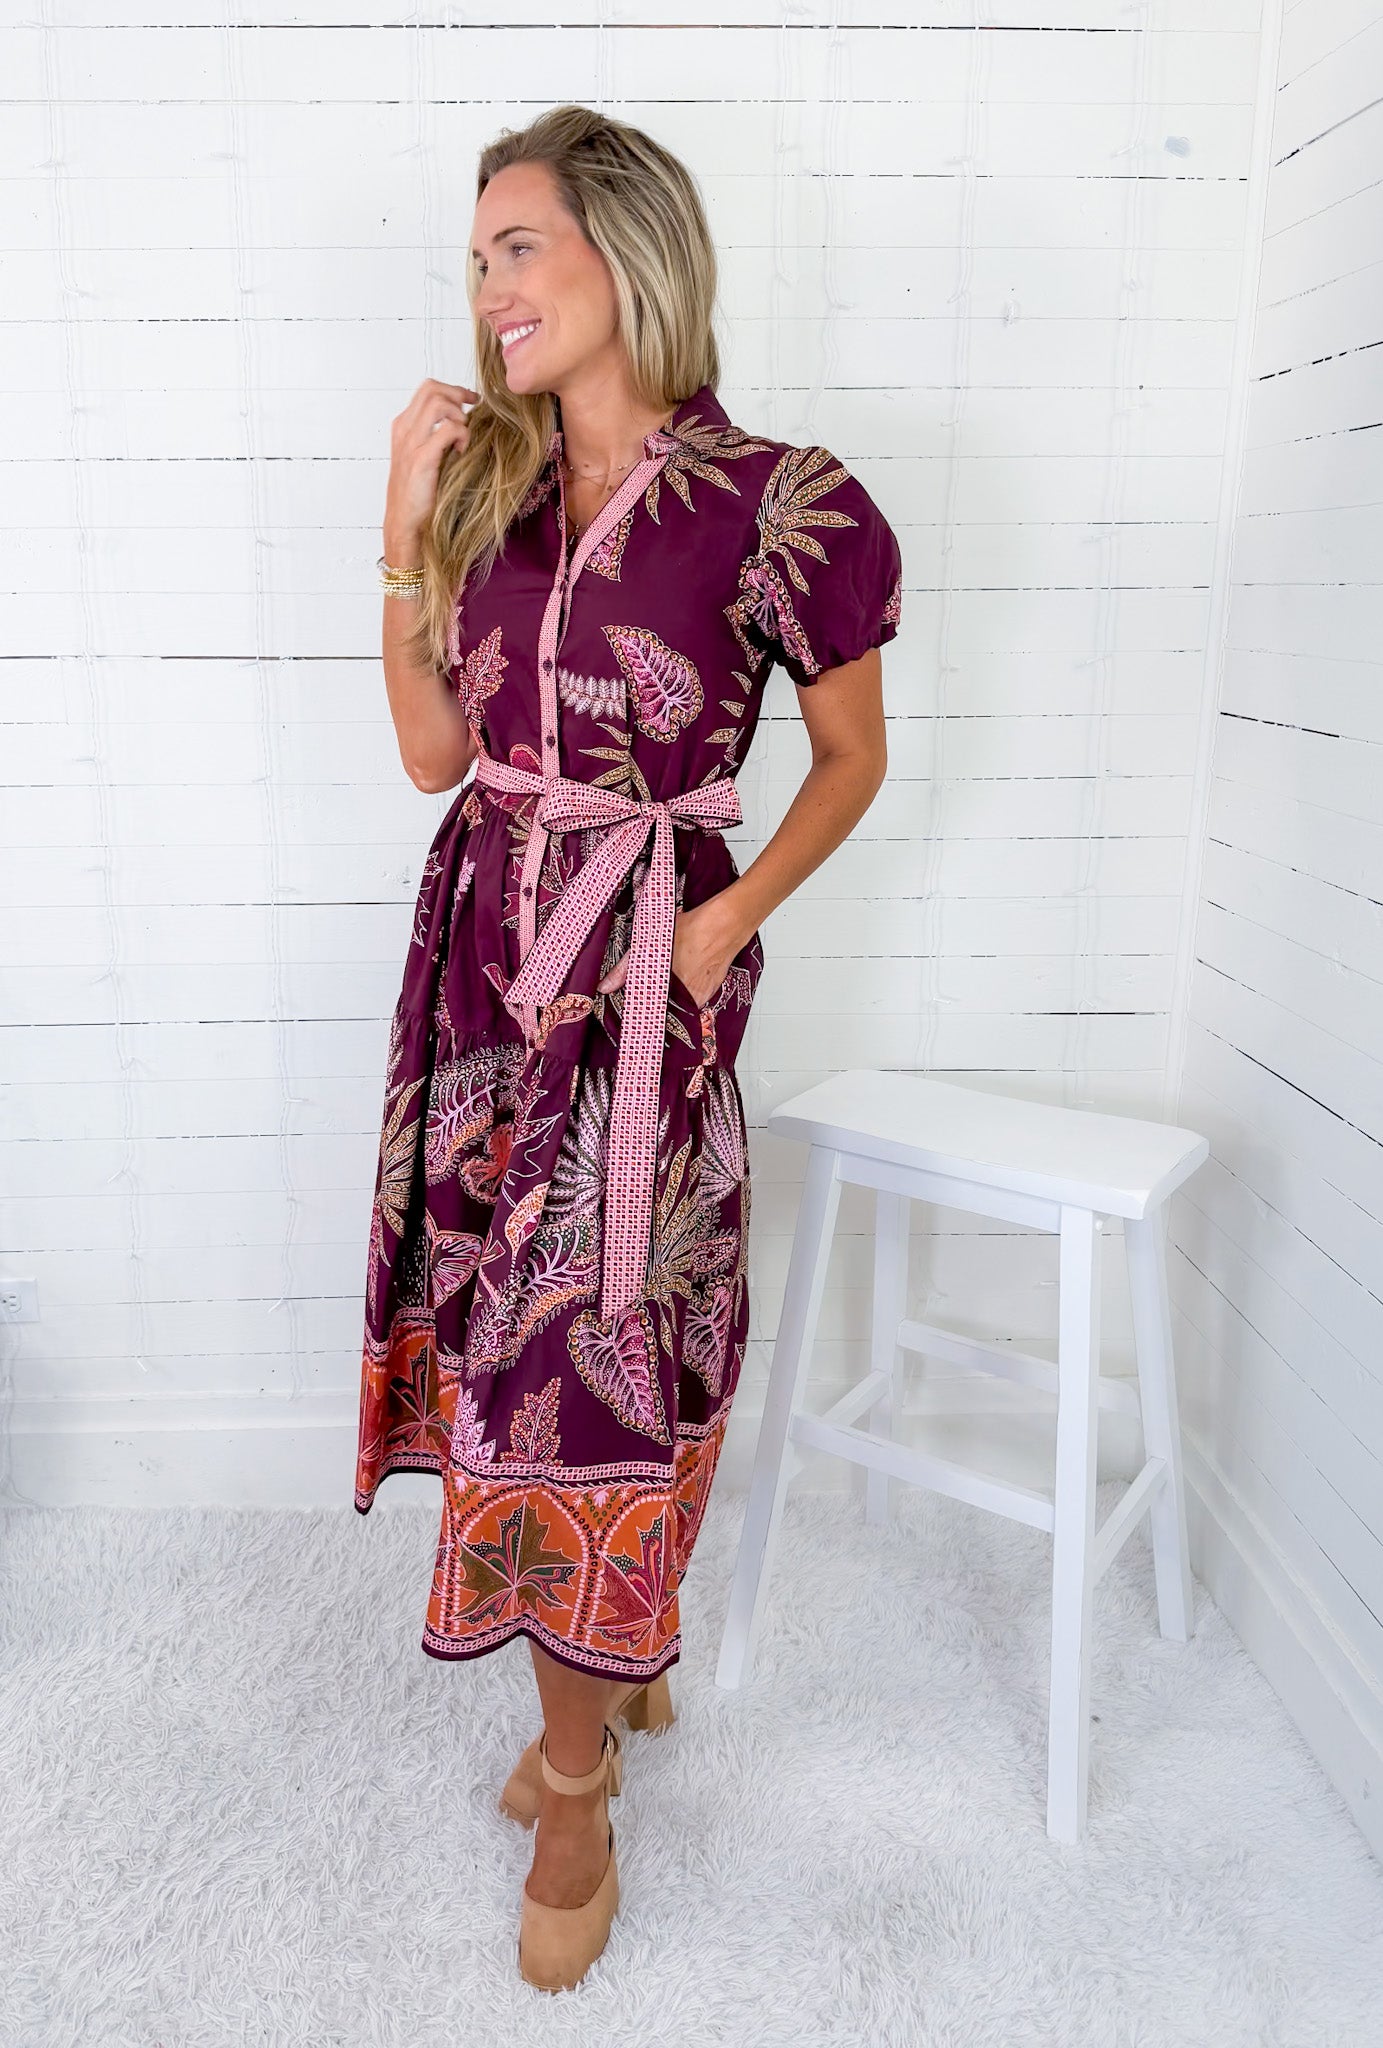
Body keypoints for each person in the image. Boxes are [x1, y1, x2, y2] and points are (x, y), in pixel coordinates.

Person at [353, 103, 903, 1991]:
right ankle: (611, 1687)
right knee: (512, 1354)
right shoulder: (491, 496)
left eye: (521, 244)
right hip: (480, 975)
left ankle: (574, 1784)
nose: (491, 286)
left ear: (624, 249)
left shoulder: (778, 498)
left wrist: (725, 927)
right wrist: (397, 544)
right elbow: (437, 754)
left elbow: (851, 759)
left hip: (648, 982)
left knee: (593, 1361)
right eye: (480, 253)